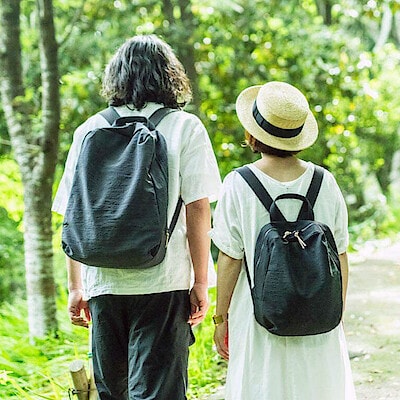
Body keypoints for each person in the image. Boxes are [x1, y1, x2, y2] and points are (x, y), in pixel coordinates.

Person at [52, 34, 221, 400]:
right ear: (170, 75)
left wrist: (76, 287)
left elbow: (72, 213)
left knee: (114, 391)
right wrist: (200, 282)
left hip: (103, 281)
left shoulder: (90, 128)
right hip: (165, 279)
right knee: (161, 391)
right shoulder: (185, 127)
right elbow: (198, 208)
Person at [209, 81, 356, 399]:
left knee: (263, 385)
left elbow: (230, 258)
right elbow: (340, 254)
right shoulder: (325, 182)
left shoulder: (238, 183)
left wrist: (221, 318)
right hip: (317, 317)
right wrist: (337, 312)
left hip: (259, 316)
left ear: (253, 134)